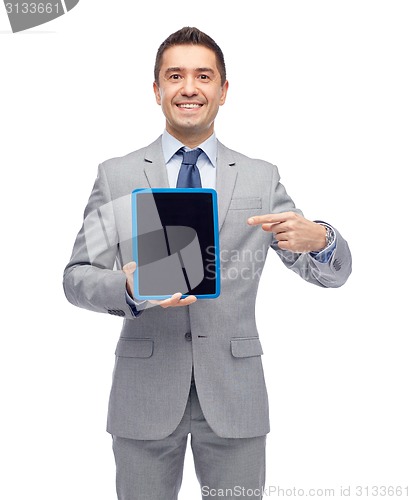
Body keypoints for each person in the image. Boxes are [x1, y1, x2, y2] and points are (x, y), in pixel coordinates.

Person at [63, 27, 352, 500]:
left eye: (203, 76)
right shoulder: (115, 176)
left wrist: (322, 238)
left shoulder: (261, 178)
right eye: (175, 76)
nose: (189, 87)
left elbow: (330, 275)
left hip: (235, 393)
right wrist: (127, 288)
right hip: (144, 394)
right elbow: (76, 278)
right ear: (157, 90)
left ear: (223, 90)